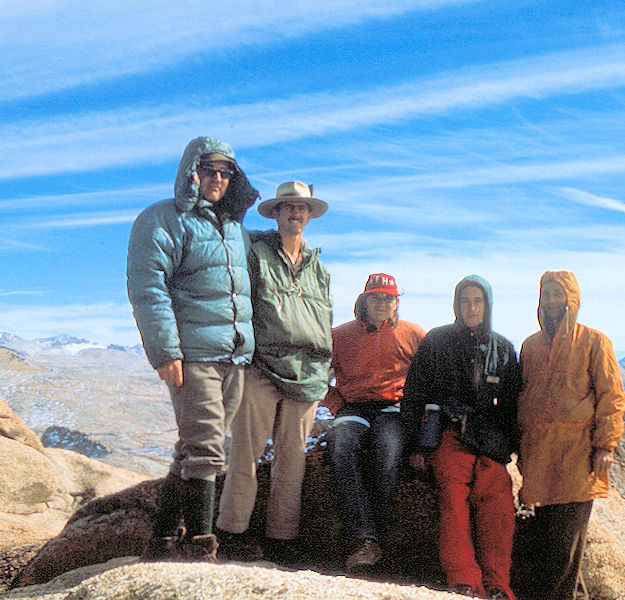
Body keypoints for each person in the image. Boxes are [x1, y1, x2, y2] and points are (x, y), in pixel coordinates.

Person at [127, 136, 259, 562]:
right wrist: (166, 351)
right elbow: (149, 289)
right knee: (207, 448)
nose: (217, 179)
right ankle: (201, 548)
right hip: (194, 353)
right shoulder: (162, 220)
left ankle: (163, 539)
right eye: (209, 170)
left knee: (193, 445)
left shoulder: (233, 229)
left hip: (234, 355)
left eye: (226, 172)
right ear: (191, 172)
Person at [216, 181, 333, 563]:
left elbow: (323, 318)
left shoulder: (320, 269)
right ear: (276, 213)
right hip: (261, 368)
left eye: (301, 208)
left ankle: (282, 539)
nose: (295, 214)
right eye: (288, 207)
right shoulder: (255, 253)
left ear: (309, 215)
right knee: (245, 455)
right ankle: (232, 533)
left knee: (292, 460)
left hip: (308, 374)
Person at [401, 275, 521, 600]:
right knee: (453, 497)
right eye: (465, 300)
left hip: (489, 440)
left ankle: (498, 584)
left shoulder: (504, 349)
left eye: (478, 301)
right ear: (456, 304)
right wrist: (417, 444)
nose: (471, 307)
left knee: (497, 498)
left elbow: (512, 406)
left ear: (487, 305)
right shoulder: (436, 342)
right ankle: (464, 579)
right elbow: (414, 394)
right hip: (449, 433)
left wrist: (509, 448)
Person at [516, 270, 625, 600]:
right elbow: (522, 396)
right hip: (538, 459)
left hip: (576, 457)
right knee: (544, 545)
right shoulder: (530, 346)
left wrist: (605, 445)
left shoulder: (595, 342)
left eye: (557, 294)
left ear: (572, 299)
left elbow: (612, 396)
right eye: (546, 294)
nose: (551, 301)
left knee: (565, 545)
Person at [323, 273, 426, 572]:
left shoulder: (414, 333)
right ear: (363, 300)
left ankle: (373, 535)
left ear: (396, 303)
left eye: (389, 297)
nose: (383, 302)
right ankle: (363, 539)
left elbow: (428, 378)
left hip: (394, 407)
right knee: (341, 446)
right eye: (376, 296)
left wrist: (415, 410)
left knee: (388, 448)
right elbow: (318, 373)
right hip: (353, 406)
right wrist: (334, 403)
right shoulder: (339, 335)